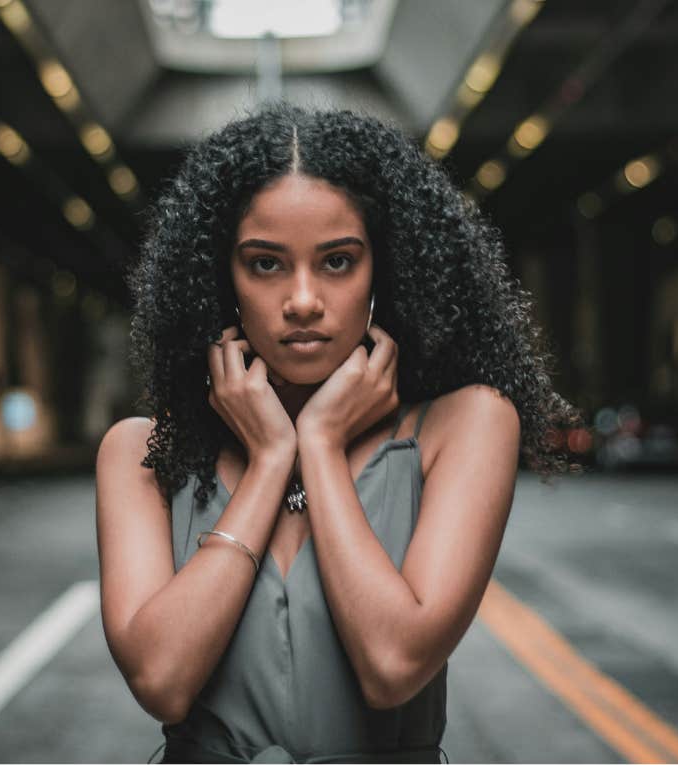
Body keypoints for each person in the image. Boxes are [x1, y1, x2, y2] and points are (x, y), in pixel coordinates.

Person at [96, 104, 576, 763]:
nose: (301, 299)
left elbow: (392, 662)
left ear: (385, 269)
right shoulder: (141, 452)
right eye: (265, 264)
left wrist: (319, 443)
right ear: (222, 278)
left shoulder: (465, 423)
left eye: (337, 262)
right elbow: (162, 679)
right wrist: (270, 459)